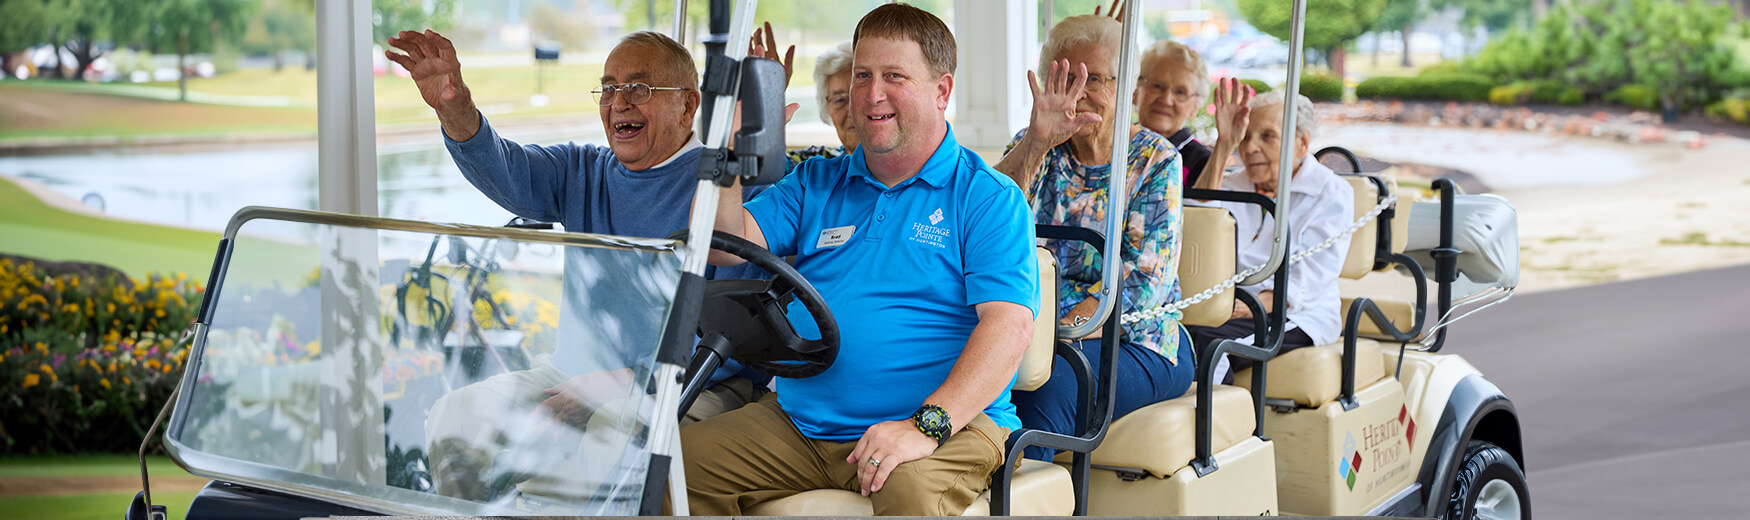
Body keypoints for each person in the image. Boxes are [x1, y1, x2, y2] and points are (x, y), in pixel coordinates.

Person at [384, 29, 778, 501]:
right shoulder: (583, 169)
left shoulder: (733, 193)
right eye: (608, 88)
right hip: (570, 374)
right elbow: (508, 169)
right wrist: (454, 106)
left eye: (639, 88)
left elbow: (726, 340)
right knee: (457, 416)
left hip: (687, 384)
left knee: (610, 437)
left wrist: (617, 384)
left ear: (688, 105)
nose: (619, 103)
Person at [681, 4, 1039, 515]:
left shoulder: (986, 197)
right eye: (862, 75)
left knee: (910, 491)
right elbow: (720, 243)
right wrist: (728, 154)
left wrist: (923, 428)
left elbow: (1009, 330)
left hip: (945, 426)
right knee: (680, 464)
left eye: (895, 76)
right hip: (803, 426)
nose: (872, 95)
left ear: (942, 91)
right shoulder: (815, 183)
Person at [988, 14, 1191, 461]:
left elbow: (1143, 285)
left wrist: (1055, 334)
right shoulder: (1035, 143)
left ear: (1128, 88)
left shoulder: (1155, 160)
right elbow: (983, 222)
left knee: (1042, 396)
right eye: (1065, 78)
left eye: (1095, 78)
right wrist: (1037, 143)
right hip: (1028, 331)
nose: (1079, 93)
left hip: (1135, 339)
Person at [1185, 91, 1353, 384]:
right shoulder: (1232, 184)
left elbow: (1305, 287)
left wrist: (1238, 306)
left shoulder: (1331, 193)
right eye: (1246, 136)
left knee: (1211, 346)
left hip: (1297, 315)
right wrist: (1224, 145)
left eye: (1267, 136)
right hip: (1226, 307)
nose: (1250, 147)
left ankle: (1212, 428)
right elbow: (1194, 230)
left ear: (1301, 144)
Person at [1092, 0, 1254, 188]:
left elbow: (1204, 211)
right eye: (1157, 86)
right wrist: (1100, 59)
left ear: (1195, 108)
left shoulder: (1201, 160)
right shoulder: (1112, 142)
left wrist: (1225, 145)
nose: (1166, 99)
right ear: (1135, 92)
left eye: (1180, 92)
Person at [787, 41, 860, 166]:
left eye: (859, 97)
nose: (850, 111)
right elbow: (760, 169)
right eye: (839, 100)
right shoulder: (813, 167)